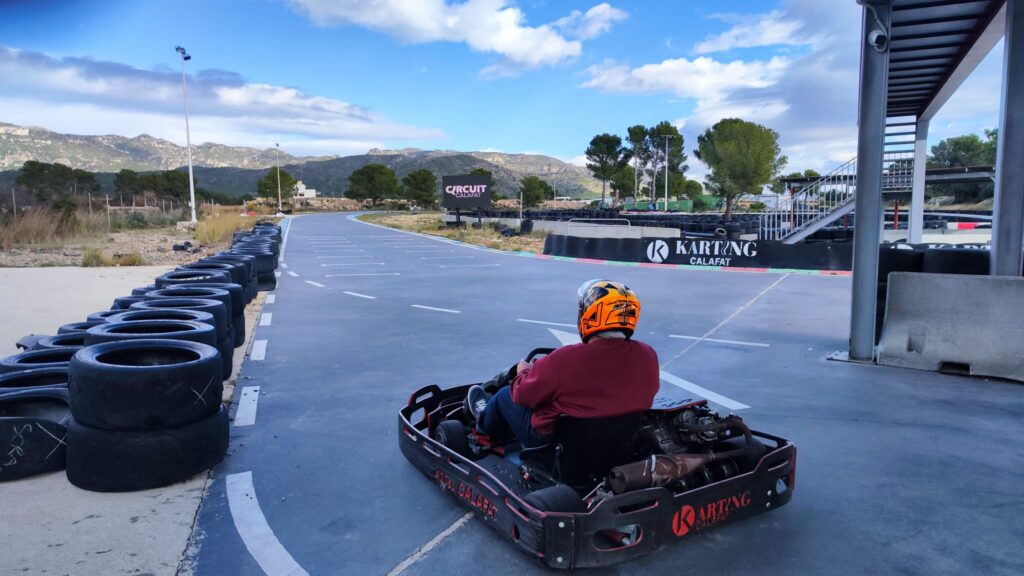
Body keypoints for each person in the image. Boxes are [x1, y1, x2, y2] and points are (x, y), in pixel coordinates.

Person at [464, 280, 660, 448]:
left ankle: (482, 423)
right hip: (618, 443)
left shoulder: (565, 359)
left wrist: (523, 374)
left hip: (555, 448)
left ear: (590, 315)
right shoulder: (648, 355)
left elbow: (523, 396)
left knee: (504, 396)